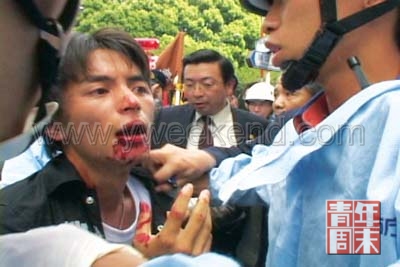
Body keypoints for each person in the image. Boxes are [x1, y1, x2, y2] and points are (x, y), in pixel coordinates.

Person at [144, 0, 400, 266]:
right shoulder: (297, 129)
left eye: (282, 2)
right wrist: (204, 173)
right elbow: (269, 170)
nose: (268, 22)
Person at [0, 1, 239, 266]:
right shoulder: (16, 220)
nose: (131, 101)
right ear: (56, 125)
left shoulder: (169, 196)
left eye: (140, 88)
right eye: (100, 90)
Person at [151, 48, 269, 265]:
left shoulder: (256, 127)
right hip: (174, 241)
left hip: (235, 243)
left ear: (229, 86)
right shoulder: (165, 119)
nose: (196, 93)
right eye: (189, 84)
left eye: (207, 84)